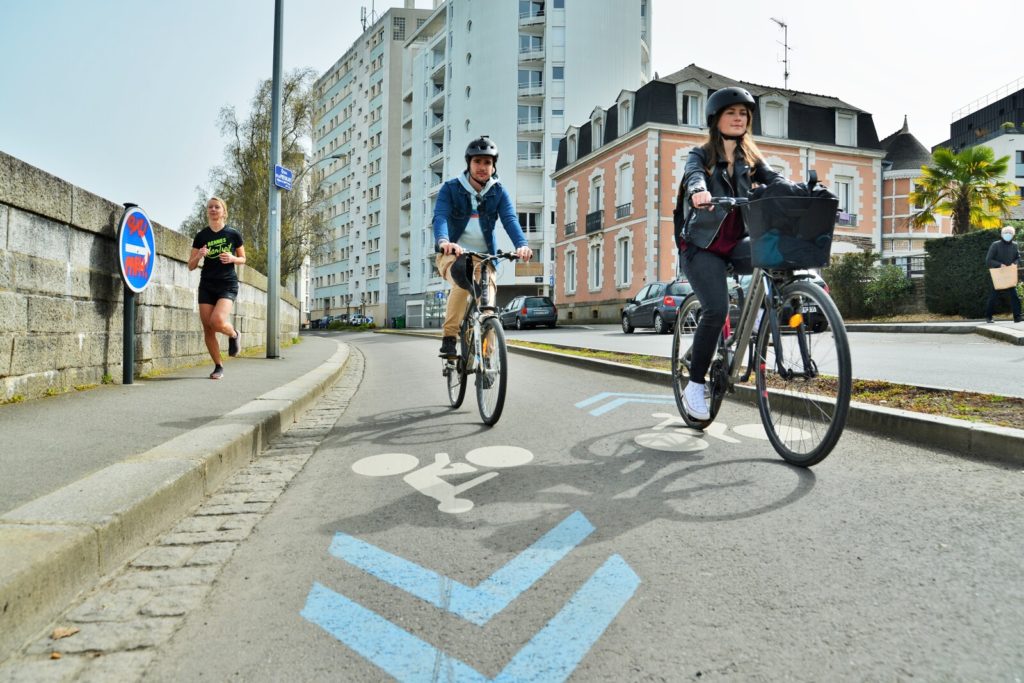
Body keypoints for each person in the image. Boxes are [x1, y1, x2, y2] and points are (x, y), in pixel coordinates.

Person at [675, 87, 787, 420]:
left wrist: (802, 190)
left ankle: (756, 325)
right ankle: (695, 385)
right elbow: (693, 175)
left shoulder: (751, 158)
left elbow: (776, 180)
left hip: (736, 243)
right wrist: (699, 190)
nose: (738, 118)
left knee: (775, 252)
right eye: (731, 113)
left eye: (743, 114)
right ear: (716, 119)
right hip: (701, 246)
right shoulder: (701, 155)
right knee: (716, 308)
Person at [433, 136, 533, 357]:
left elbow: (510, 219)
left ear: (493, 165)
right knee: (461, 279)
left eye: (487, 162)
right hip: (453, 254)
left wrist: (522, 245)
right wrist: (444, 242)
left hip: (484, 258)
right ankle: (449, 338)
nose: (482, 167)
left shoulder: (498, 192)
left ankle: (486, 359)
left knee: (488, 306)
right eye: (478, 161)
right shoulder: (450, 189)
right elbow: (440, 217)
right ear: (469, 163)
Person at [188, 196, 246, 379]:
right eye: (210, 207)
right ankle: (218, 366)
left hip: (227, 284)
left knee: (217, 321)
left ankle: (234, 334)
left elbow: (243, 259)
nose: (213, 210)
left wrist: (233, 258)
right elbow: (190, 265)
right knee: (208, 328)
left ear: (224, 211)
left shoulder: (233, 234)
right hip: (207, 285)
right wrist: (199, 256)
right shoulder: (201, 236)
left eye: (217, 207)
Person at [984, 225, 1021, 324]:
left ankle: (1017, 317)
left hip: (1009, 274)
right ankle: (988, 317)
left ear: (1013, 235)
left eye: (1010, 233)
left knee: (1014, 296)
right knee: (993, 296)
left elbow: (1018, 257)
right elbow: (988, 260)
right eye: (1006, 233)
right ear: (1002, 234)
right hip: (998, 274)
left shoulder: (1015, 245)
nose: (1008, 235)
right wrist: (1000, 265)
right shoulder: (995, 245)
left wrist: (1015, 263)